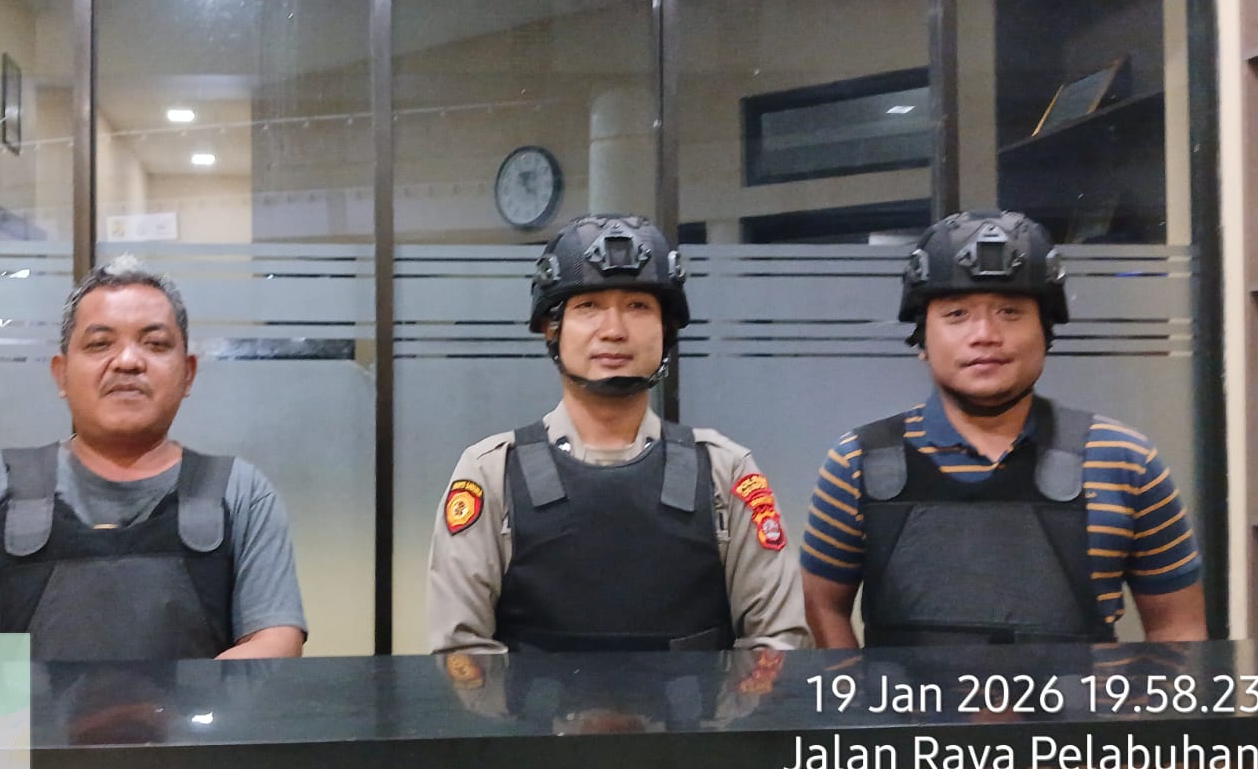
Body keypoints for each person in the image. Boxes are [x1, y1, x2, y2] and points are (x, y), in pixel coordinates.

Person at [801, 210, 1206, 648]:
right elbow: (822, 608)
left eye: (1010, 312)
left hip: (1083, 698)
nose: (985, 334)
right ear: (922, 338)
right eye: (957, 313)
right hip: (902, 697)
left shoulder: (1125, 461)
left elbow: (1178, 629)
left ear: (1046, 332)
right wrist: (851, 688)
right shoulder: (858, 463)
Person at [426, 214, 809, 653]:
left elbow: (779, 643)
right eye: (588, 306)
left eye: (638, 306)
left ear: (666, 329)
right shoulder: (491, 473)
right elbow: (460, 653)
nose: (614, 331)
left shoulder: (726, 471)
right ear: (551, 327)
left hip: (702, 703)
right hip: (524, 704)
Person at [0, 256, 306, 661]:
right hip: (25, 709)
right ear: (61, 374)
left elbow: (276, 644)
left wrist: (187, 698)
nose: (128, 361)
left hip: (197, 708)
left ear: (188, 374)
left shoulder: (241, 493)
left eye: (155, 344)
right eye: (100, 344)